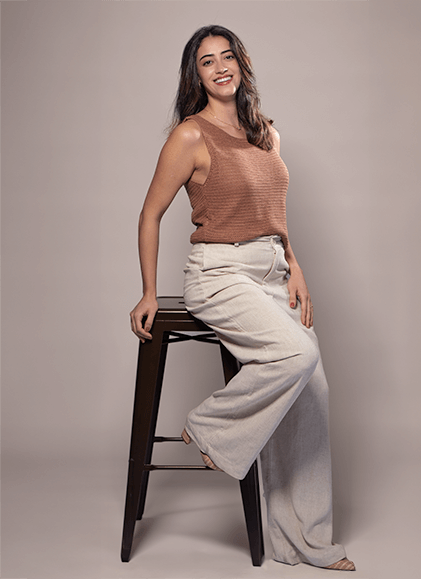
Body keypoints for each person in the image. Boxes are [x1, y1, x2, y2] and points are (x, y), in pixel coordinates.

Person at [130, 24, 355, 572]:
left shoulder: (267, 134)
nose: (220, 67)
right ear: (196, 76)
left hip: (272, 271)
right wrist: (147, 291)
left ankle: (305, 542)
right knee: (296, 355)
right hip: (220, 273)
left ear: (242, 64)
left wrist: (295, 267)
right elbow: (150, 214)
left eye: (227, 56)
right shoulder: (190, 136)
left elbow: (273, 214)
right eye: (207, 61)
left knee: (315, 389)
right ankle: (209, 427)